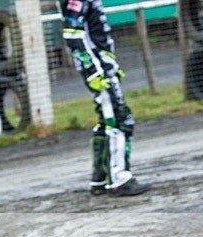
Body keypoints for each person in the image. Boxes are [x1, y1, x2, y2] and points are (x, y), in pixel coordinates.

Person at [59, 0, 150, 196]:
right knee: (120, 118)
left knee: (106, 119)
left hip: (103, 64)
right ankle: (119, 179)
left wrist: (110, 65)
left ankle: (100, 178)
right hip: (98, 69)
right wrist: (94, 71)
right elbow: (72, 33)